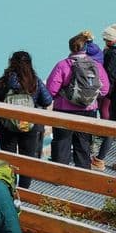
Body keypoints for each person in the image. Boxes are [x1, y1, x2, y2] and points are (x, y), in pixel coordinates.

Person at [0, 51, 53, 187]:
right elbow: (47, 100)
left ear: (11, 63)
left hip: (7, 126)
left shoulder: (4, 81)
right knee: (27, 160)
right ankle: (24, 191)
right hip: (28, 125)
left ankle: (9, 188)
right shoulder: (35, 81)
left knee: (8, 159)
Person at [46, 33, 110, 169]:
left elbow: (51, 90)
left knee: (62, 143)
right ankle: (83, 176)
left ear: (70, 48)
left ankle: (60, 176)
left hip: (63, 111)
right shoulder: (96, 65)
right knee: (83, 144)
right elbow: (105, 89)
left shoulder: (62, 65)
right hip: (88, 111)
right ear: (85, 48)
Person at [94, 24, 116, 169]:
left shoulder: (111, 53)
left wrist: (105, 91)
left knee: (111, 126)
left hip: (112, 93)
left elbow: (110, 75)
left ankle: (99, 160)